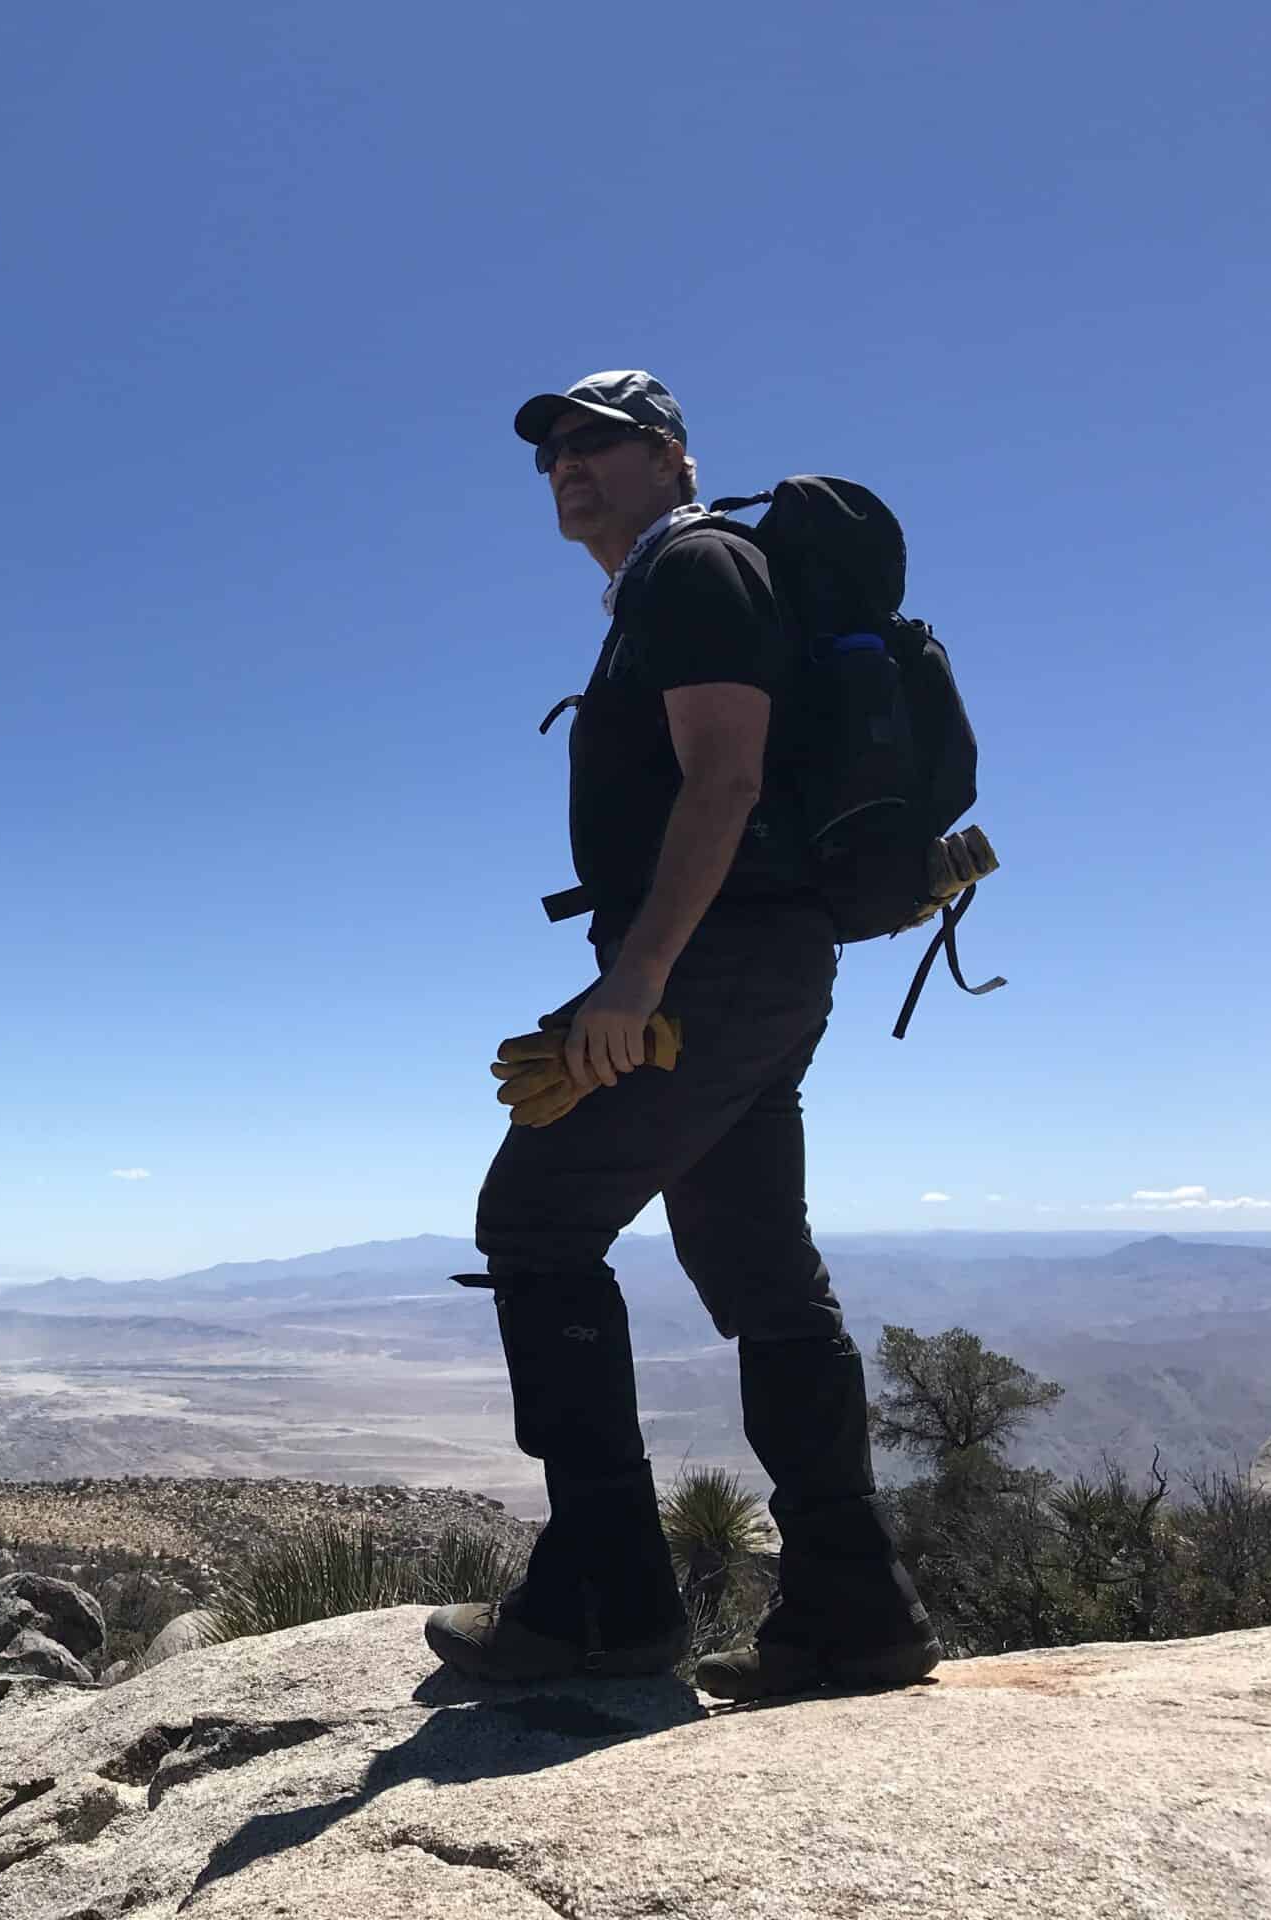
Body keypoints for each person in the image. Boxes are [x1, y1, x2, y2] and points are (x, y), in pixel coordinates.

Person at [424, 371, 941, 1700]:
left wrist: (639, 976)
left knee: (535, 1222)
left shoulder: (696, 565)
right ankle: (850, 1614)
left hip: (708, 970)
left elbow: (727, 774)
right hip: (749, 968)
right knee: (760, 1268)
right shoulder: (674, 579)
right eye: (551, 455)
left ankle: (604, 1604)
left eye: (601, 444)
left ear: (672, 455)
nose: (570, 468)